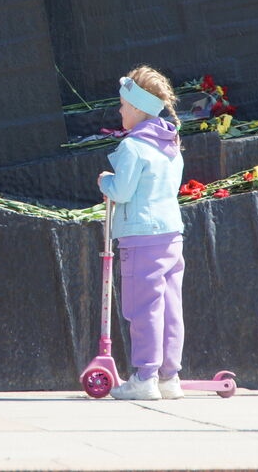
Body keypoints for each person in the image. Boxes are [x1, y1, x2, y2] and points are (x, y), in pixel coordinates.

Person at [96, 65, 186, 400]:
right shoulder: (170, 143)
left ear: (136, 108)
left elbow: (121, 191)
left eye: (122, 104)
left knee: (143, 307)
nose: (119, 110)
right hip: (171, 235)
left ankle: (145, 377)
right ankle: (169, 377)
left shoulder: (133, 147)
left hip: (140, 238)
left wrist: (104, 180)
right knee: (169, 306)